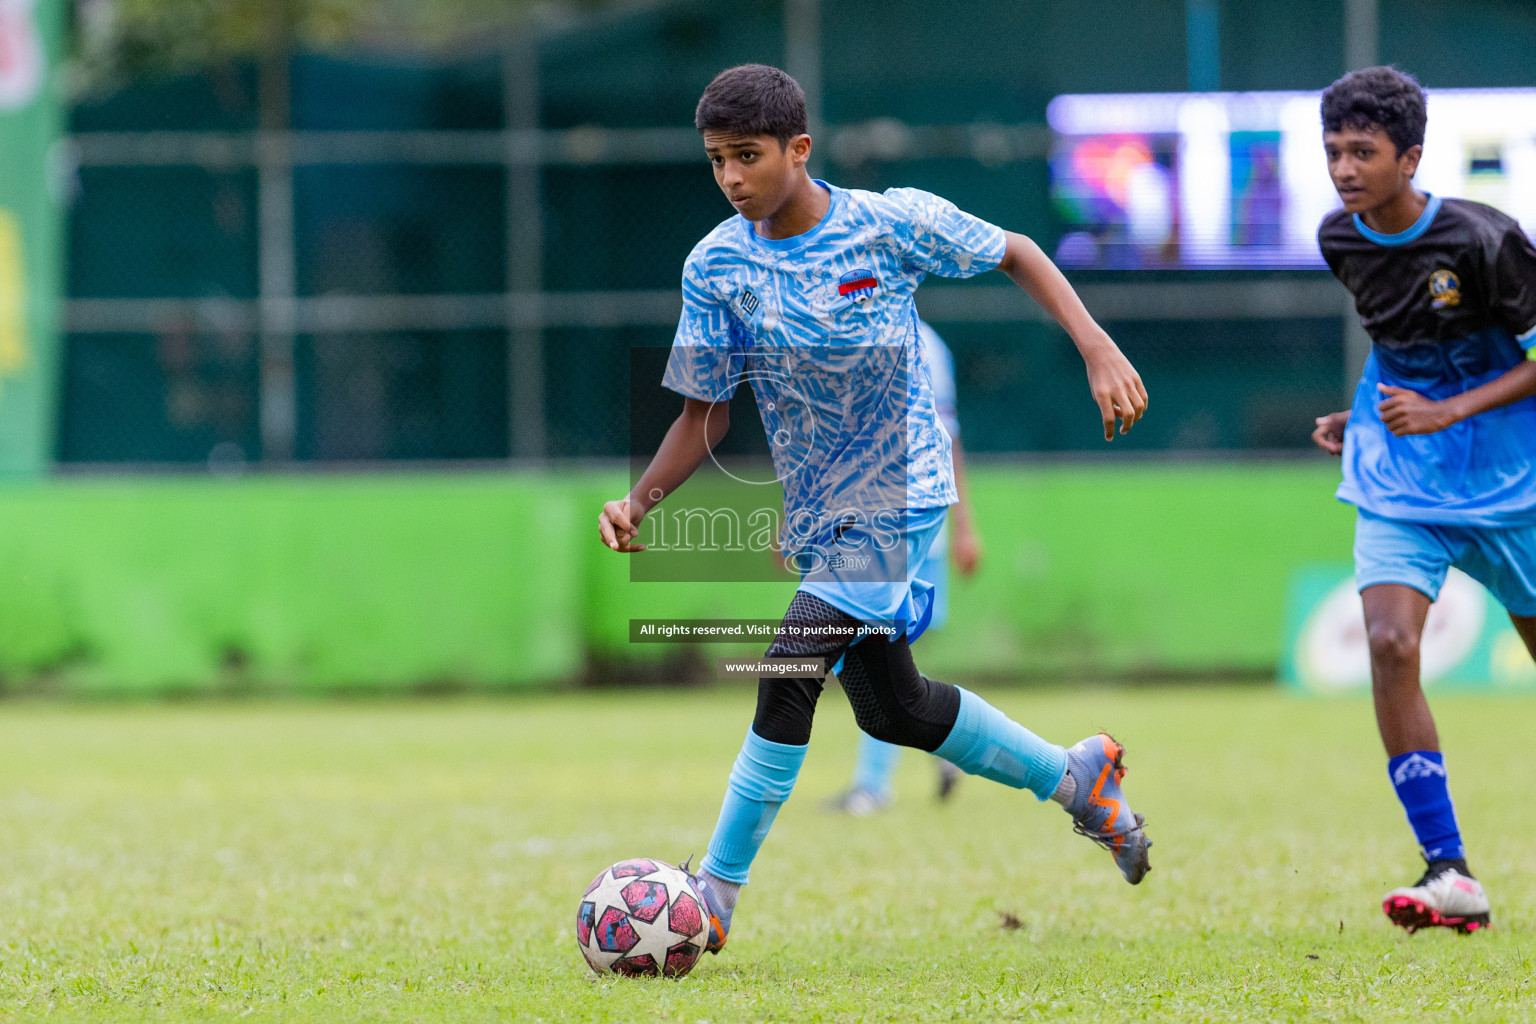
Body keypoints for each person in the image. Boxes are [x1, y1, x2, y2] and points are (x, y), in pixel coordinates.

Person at [598, 64, 1152, 956]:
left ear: (799, 149)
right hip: (823, 515)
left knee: (789, 663)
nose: (733, 178)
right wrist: (640, 502)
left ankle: (715, 894)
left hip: (903, 494)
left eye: (748, 156)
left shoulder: (887, 224)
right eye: (716, 161)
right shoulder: (716, 265)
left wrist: (1095, 347)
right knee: (895, 710)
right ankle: (1077, 778)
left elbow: (1016, 249)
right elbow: (705, 413)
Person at [1310, 66, 1536, 934]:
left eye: (1362, 151)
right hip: (1399, 478)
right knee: (1391, 641)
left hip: (1508, 481)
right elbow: (1398, 347)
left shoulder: (1487, 240)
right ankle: (1449, 872)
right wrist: (1362, 411)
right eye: (1333, 150)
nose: (1344, 168)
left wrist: (1449, 409)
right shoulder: (1342, 239)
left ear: (1411, 156)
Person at [826, 321, 977, 815]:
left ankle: (873, 786)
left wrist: (964, 528)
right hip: (863, 523)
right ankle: (949, 744)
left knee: (872, 653)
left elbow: (946, 438)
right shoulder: (842, 335)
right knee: (885, 656)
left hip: (907, 524)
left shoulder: (926, 345)